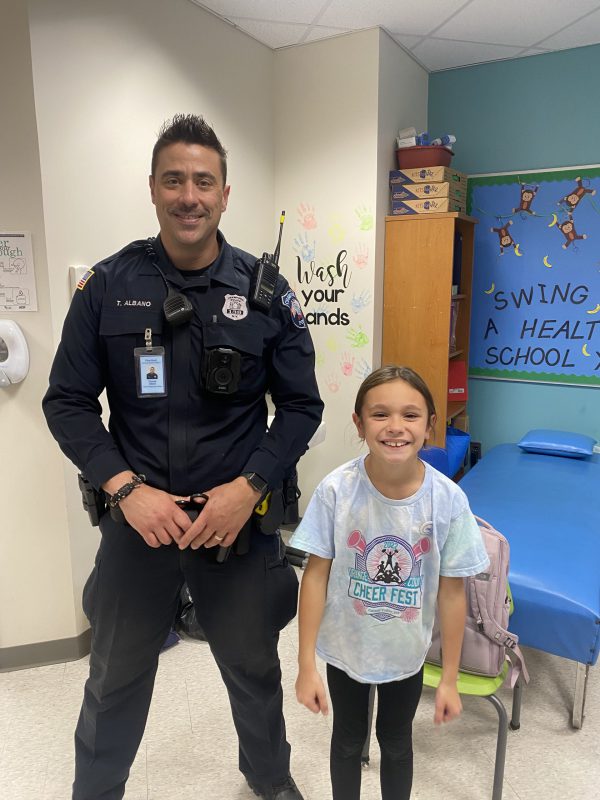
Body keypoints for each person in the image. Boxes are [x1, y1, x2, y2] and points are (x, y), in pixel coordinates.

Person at [42, 113, 323, 800]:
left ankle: (269, 778)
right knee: (113, 677)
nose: (188, 195)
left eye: (204, 181)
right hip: (140, 523)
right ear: (153, 190)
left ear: (225, 194)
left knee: (253, 670)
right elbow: (67, 402)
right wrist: (126, 489)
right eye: (174, 180)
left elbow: (302, 407)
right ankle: (96, 791)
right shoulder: (107, 287)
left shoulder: (267, 294)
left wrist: (249, 486)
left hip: (234, 526)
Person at [290, 365, 488, 800]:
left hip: (405, 652)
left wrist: (450, 678)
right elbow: (316, 575)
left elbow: (453, 594)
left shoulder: (448, 501)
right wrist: (306, 664)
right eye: (380, 415)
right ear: (359, 424)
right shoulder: (336, 491)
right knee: (346, 739)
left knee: (396, 742)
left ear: (431, 425)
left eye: (411, 415)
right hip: (346, 648)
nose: (396, 427)